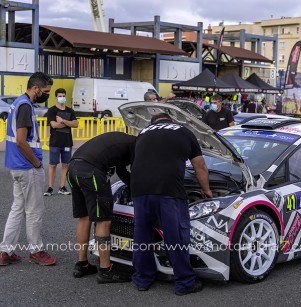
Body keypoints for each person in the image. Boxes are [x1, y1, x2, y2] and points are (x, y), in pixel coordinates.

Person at [131, 113, 212, 294]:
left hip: (139, 189)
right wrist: (206, 190)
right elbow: (200, 165)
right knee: (175, 235)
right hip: (168, 189)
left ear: (154, 123)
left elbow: (137, 161)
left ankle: (142, 279)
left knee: (142, 234)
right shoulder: (183, 131)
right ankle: (185, 282)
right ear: (171, 121)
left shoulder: (143, 133)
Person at [0, 72, 57, 266]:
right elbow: (21, 141)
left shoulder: (18, 103)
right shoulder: (25, 106)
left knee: (17, 209)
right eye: (46, 91)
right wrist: (37, 164)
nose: (46, 94)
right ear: (36, 88)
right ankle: (36, 251)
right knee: (34, 210)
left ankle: (5, 251)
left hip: (16, 166)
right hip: (27, 167)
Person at [66, 131, 136, 283]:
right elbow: (137, 171)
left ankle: (82, 264)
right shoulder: (137, 144)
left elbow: (121, 170)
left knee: (84, 217)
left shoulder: (123, 140)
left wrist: (130, 185)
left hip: (72, 168)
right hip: (91, 172)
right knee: (103, 220)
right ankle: (106, 270)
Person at [44, 88, 79, 196]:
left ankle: (62, 187)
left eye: (63, 95)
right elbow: (54, 125)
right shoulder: (52, 110)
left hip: (67, 142)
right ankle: (50, 187)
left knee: (65, 165)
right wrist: (68, 123)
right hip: (55, 142)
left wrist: (63, 121)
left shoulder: (70, 111)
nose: (62, 98)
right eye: (60, 96)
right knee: (53, 165)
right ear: (56, 97)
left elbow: (76, 124)